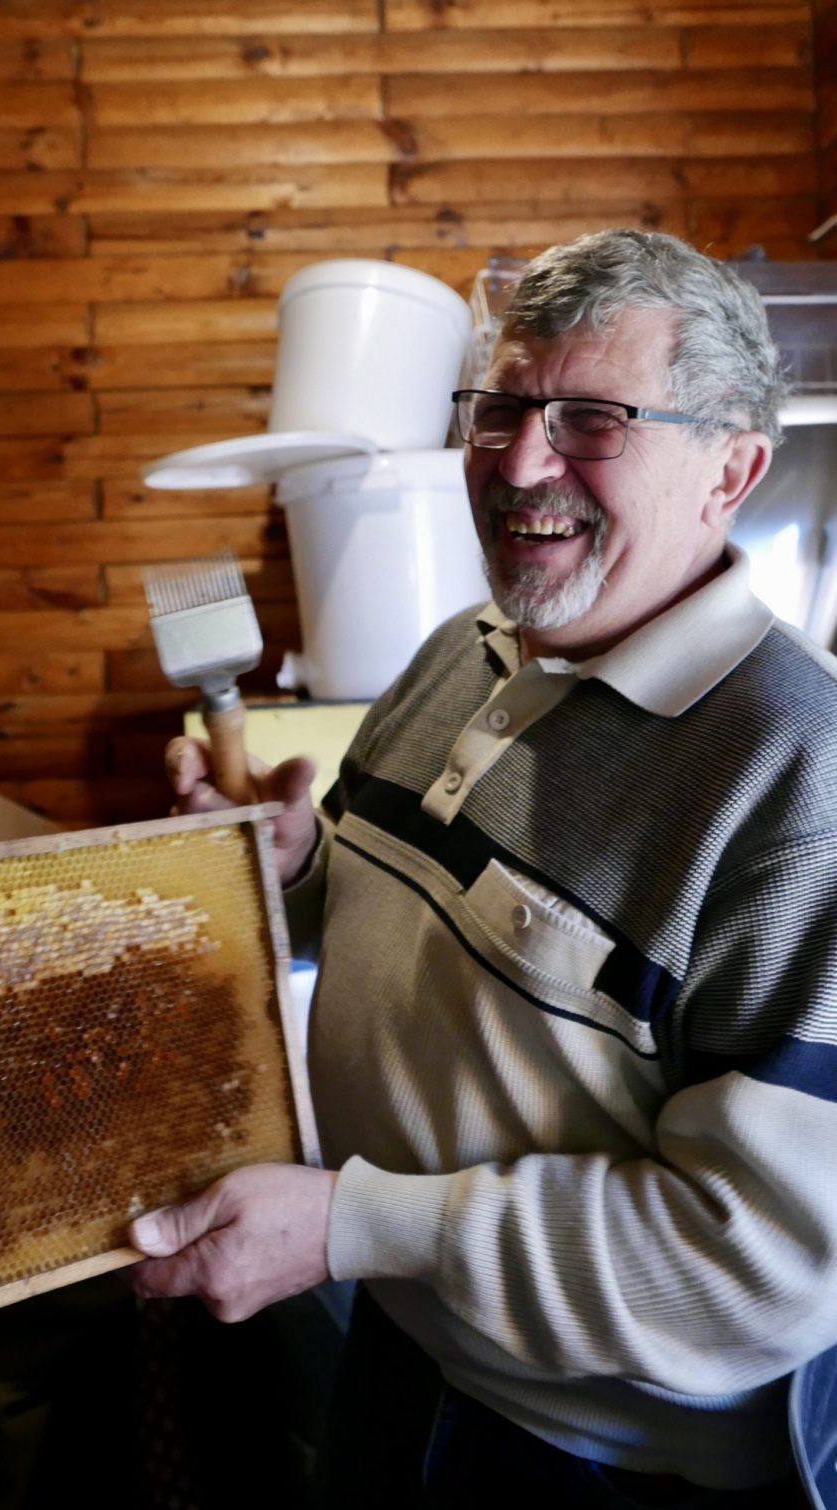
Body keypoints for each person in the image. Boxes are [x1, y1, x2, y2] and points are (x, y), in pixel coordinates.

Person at [128, 230, 837, 1506]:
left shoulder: (799, 784)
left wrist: (354, 1223)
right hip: (403, 1352)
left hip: (585, 1458)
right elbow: (380, 895)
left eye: (589, 419)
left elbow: (757, 1269)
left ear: (731, 467)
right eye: (501, 407)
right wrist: (288, 867)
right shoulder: (469, 647)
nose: (519, 463)